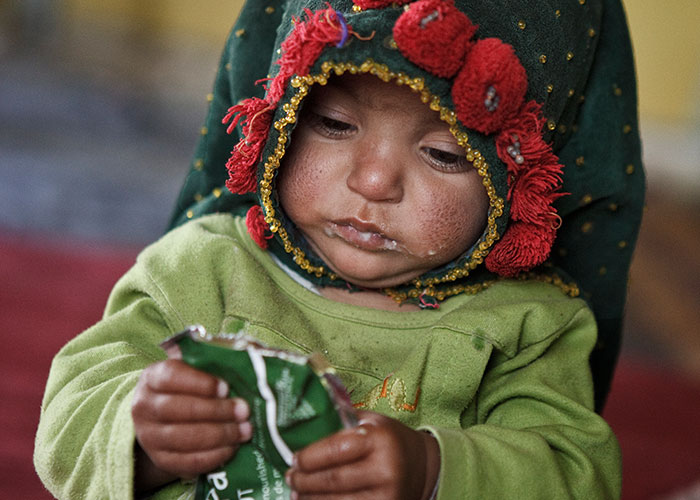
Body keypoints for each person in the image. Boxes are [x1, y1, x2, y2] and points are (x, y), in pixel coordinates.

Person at [34, 0, 645, 499]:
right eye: (332, 123)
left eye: (444, 154)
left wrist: (434, 471)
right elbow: (66, 421)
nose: (374, 182)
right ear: (279, 117)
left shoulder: (529, 329)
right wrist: (143, 440)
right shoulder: (200, 267)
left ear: (514, 180)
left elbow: (576, 476)